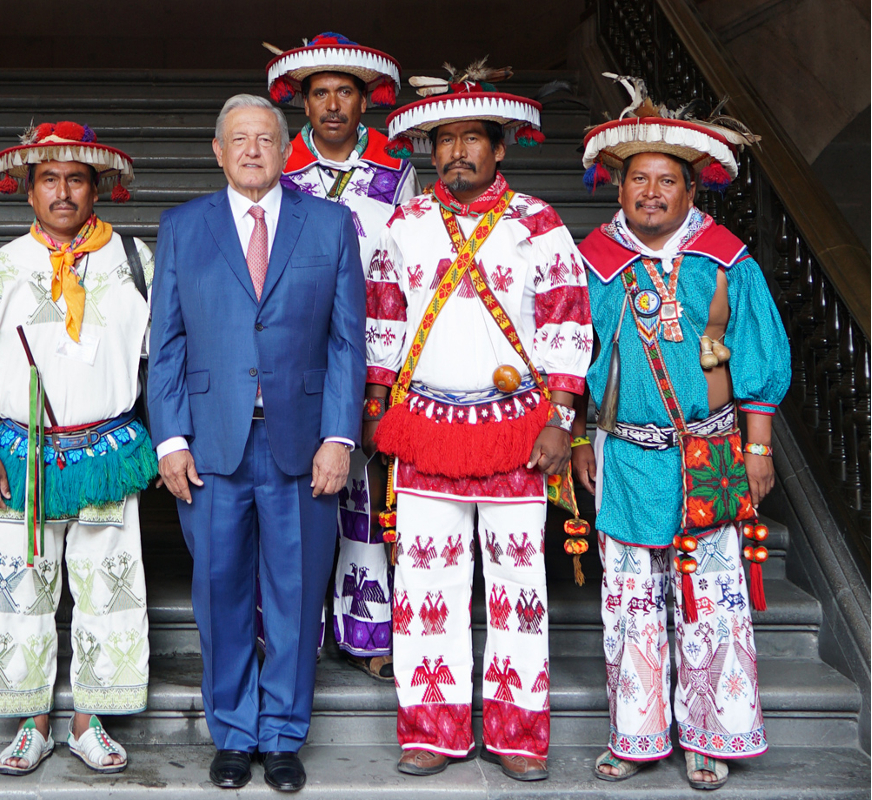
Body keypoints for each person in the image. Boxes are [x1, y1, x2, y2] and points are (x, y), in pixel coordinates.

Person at [366, 64, 590, 780]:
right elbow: (382, 319)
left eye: (472, 139)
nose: (456, 151)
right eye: (444, 139)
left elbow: (565, 319)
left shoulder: (539, 224)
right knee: (426, 588)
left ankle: (520, 737)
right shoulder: (404, 224)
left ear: (500, 148)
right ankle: (432, 731)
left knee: (519, 589)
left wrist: (560, 417)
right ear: (429, 152)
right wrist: (377, 406)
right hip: (427, 424)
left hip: (518, 429)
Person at [573, 78, 789, 790]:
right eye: (640, 179)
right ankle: (636, 736)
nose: (653, 192)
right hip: (628, 455)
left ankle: (709, 736)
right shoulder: (593, 264)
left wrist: (757, 449)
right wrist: (578, 441)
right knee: (630, 602)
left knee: (713, 600)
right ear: (620, 186)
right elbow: (572, 360)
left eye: (668, 180)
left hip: (711, 453)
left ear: (692, 190)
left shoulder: (728, 262)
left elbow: (756, 364)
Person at [147, 94, 363, 792]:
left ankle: (283, 736)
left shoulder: (330, 226)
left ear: (284, 149)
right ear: (217, 151)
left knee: (297, 596)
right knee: (220, 593)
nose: (250, 151)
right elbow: (168, 341)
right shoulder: (184, 227)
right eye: (237, 140)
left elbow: (346, 342)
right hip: (210, 447)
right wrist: (170, 438)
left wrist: (339, 435)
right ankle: (234, 733)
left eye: (264, 139)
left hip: (302, 446)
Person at [0, 121, 156, 776]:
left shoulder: (136, 262)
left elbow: (165, 353)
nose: (62, 192)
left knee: (109, 590)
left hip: (105, 454)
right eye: (49, 180)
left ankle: (91, 719)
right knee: (21, 590)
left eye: (75, 179)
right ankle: (31, 722)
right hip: (22, 457)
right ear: (28, 191)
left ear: (96, 188)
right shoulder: (5, 266)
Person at [264, 31, 419, 681]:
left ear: (366, 102)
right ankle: (294, 629)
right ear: (303, 103)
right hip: (296, 349)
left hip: (374, 348)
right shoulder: (280, 169)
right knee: (296, 488)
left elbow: (408, 264)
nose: (332, 105)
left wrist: (389, 370)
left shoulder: (396, 172)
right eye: (320, 92)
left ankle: (367, 631)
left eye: (345, 93)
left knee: (365, 490)